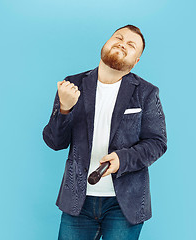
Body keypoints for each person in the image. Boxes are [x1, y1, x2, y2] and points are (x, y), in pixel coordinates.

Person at [43, 24, 167, 240]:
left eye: (131, 45)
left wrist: (123, 158)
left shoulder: (147, 93)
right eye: (118, 37)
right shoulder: (73, 85)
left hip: (124, 205)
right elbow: (55, 142)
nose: (122, 43)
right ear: (106, 44)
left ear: (136, 60)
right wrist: (64, 109)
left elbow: (157, 143)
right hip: (77, 201)